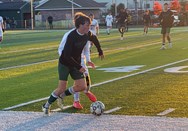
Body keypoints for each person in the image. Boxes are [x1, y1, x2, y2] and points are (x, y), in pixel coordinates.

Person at [42, 14, 104, 115]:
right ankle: (46, 105)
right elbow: (66, 55)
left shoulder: (87, 33)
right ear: (80, 25)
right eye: (87, 25)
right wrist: (79, 66)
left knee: (82, 86)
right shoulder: (71, 36)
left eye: (90, 25)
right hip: (65, 63)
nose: (89, 28)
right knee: (61, 87)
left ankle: (62, 95)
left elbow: (94, 39)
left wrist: (100, 50)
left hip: (76, 63)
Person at [57, 12, 104, 109]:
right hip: (70, 60)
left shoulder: (85, 34)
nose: (88, 27)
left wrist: (89, 60)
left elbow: (87, 49)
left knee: (85, 79)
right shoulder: (69, 35)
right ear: (78, 23)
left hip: (81, 60)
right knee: (78, 81)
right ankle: (76, 101)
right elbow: (61, 50)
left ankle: (86, 91)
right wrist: (68, 61)